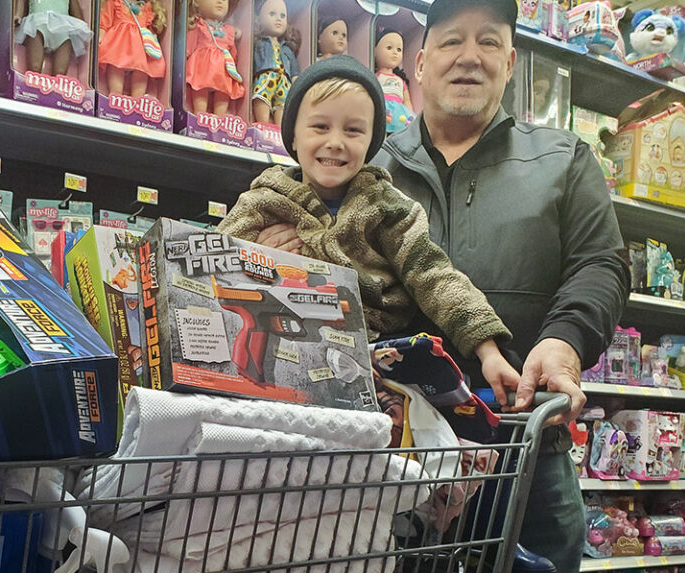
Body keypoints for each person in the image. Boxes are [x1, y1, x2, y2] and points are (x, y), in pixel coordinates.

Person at [256, 1, 630, 573]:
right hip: (392, 459)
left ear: (510, 62)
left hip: (522, 442)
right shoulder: (363, 159)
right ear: (418, 63)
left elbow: (602, 265)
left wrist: (561, 343)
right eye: (451, 40)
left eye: (488, 42)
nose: (469, 55)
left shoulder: (563, 158)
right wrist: (277, 256)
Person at [217, 55, 521, 400]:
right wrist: (257, 261)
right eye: (319, 127)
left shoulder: (387, 207)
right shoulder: (264, 200)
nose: (335, 141)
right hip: (277, 360)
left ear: (372, 142)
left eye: (353, 130)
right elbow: (210, 266)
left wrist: (488, 351)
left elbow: (434, 275)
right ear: (294, 137)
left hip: (374, 365)